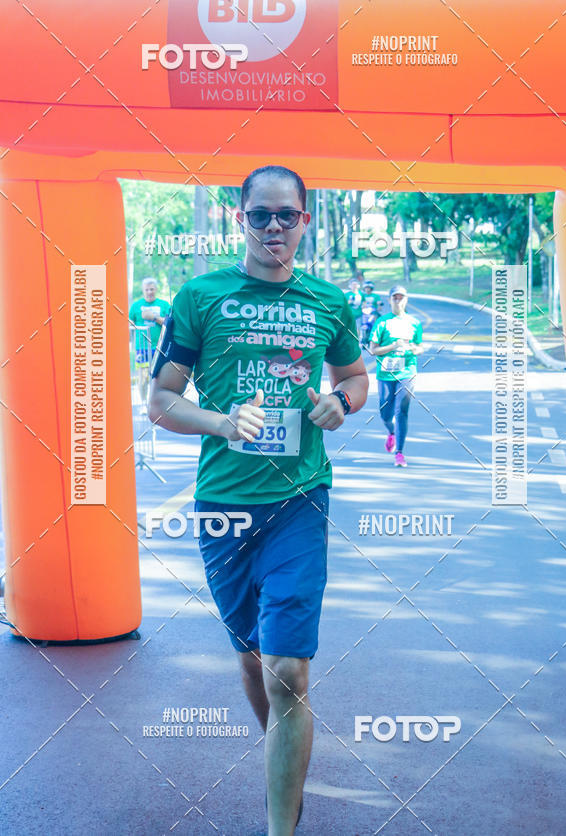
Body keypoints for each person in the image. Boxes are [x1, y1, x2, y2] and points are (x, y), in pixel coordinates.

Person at [148, 165, 368, 835]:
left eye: (286, 215)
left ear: (305, 220)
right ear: (239, 218)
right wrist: (220, 421)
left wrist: (340, 402)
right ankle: (285, 750)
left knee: (288, 673)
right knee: (252, 659)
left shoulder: (328, 301)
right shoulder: (200, 296)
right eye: (260, 215)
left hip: (300, 499)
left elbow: (356, 378)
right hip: (223, 505)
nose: (274, 227)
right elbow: (159, 401)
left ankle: (281, 824)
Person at [369, 284, 423, 468]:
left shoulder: (414, 323)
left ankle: (399, 452)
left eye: (401, 297)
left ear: (406, 300)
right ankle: (391, 431)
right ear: (389, 299)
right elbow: (373, 350)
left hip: (407, 372)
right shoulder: (382, 322)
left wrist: (413, 348)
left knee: (402, 411)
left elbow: (420, 347)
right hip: (385, 373)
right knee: (385, 414)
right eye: (395, 297)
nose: (398, 300)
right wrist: (393, 346)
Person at [129, 277, 170, 405]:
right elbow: (129, 324)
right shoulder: (136, 306)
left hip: (160, 346)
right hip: (142, 347)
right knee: (143, 376)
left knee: (160, 377)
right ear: (143, 290)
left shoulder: (164, 305)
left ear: (156, 289)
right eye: (146, 289)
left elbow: (170, 323)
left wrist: (154, 317)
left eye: (151, 289)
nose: (149, 292)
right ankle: (143, 403)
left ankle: (158, 403)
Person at [359, 280, 385, 347]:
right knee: (362, 325)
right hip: (365, 312)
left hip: (373, 312)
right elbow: (360, 303)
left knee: (376, 324)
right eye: (366, 288)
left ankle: (377, 337)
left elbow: (379, 303)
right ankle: (363, 339)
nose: (367, 289)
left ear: (371, 289)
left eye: (369, 288)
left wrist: (379, 304)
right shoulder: (362, 295)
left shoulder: (375, 296)